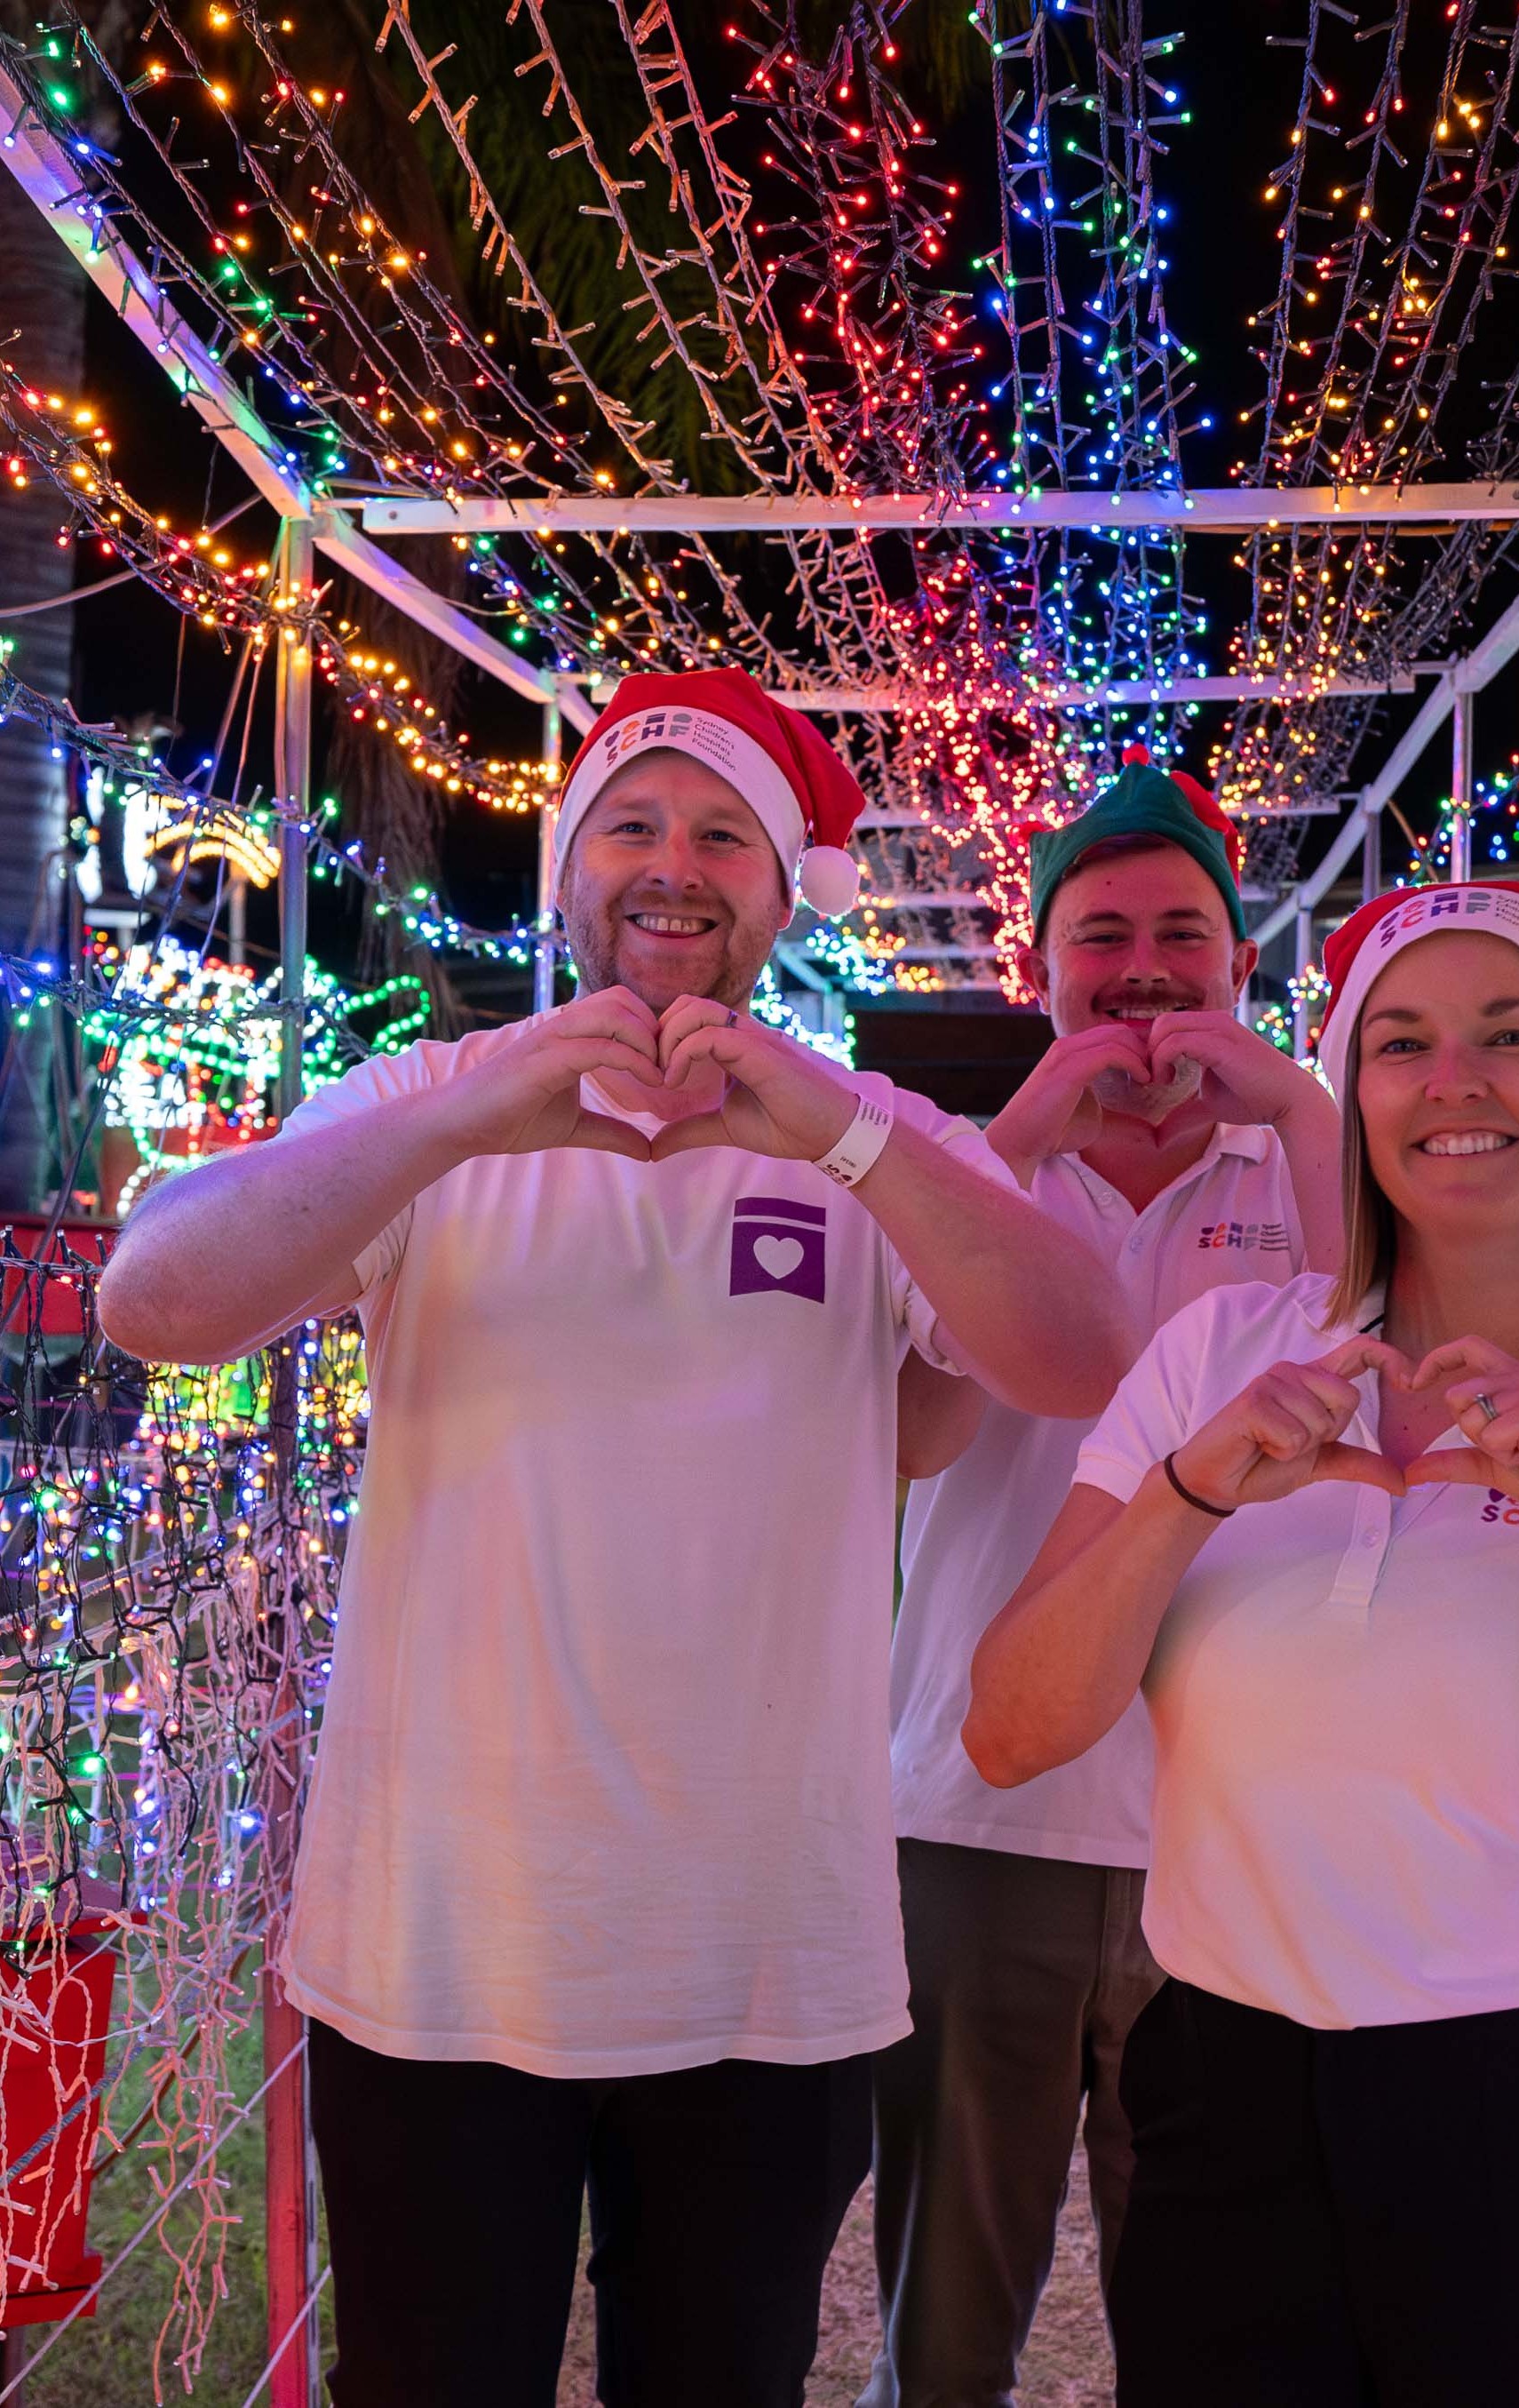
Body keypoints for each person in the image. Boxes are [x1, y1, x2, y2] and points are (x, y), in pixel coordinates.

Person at [97, 667, 1134, 2408]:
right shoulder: (432, 1098)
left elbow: (1085, 1352)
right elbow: (152, 1299)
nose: (674, 863)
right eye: (633, 824)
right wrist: (469, 1116)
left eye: (724, 833)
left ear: (782, 891)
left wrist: (843, 1128)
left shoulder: (868, 1142)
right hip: (438, 1954)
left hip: (765, 1961)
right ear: (571, 870)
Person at [966, 879, 1519, 2408]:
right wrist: (1187, 1491)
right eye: (1402, 1043)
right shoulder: (1218, 1358)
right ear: (1352, 1089)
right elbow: (1009, 1730)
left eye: (1514, 1034)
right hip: (1228, 2104)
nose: (1453, 1082)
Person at [865, 748, 1342, 2408]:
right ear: (1043, 969)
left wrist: (1298, 1108)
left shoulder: (1310, 1168)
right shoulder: (964, 1164)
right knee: (942, 2323)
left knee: (1213, 2324)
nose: (1144, 972)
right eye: (1104, 936)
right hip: (974, 1801)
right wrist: (1008, 1151)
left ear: (1240, 964)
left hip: (1231, 1815)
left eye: (1181, 936)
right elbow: (897, 1427)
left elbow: (1381, 1353)